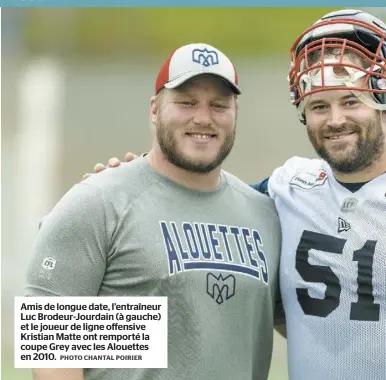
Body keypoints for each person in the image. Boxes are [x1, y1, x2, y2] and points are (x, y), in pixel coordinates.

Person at [87, 9, 386, 380]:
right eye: (319, 106)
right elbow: (202, 207)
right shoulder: (286, 191)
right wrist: (134, 185)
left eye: (351, 101)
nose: (334, 119)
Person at [24, 43, 283, 380]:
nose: (203, 117)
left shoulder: (264, 215)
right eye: (186, 102)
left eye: (219, 105)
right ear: (154, 109)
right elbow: (53, 351)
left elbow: (304, 325)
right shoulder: (98, 202)